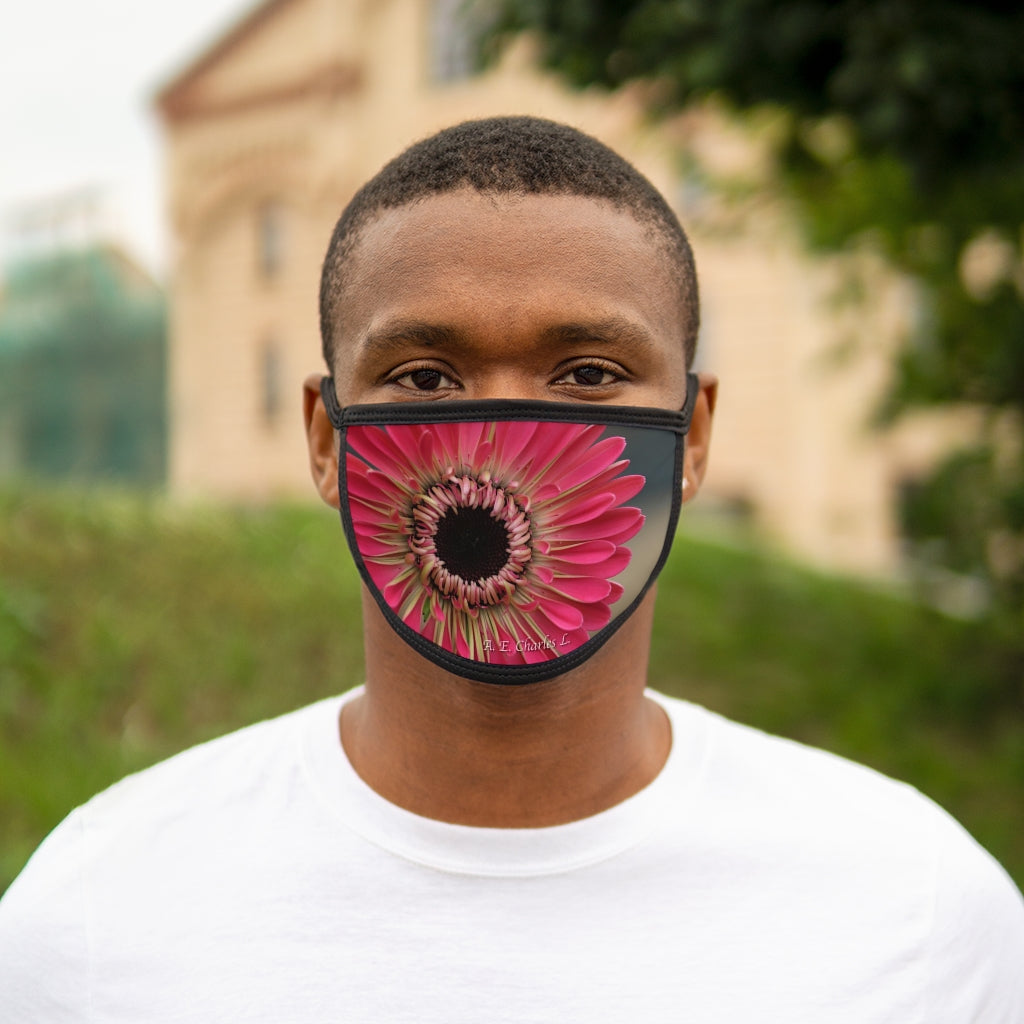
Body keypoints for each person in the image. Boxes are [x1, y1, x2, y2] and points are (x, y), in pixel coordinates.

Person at [1, 116, 1022, 1023]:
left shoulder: (920, 916)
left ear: (695, 433)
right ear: (324, 436)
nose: (486, 435)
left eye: (587, 373)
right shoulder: (98, 916)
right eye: (423, 376)